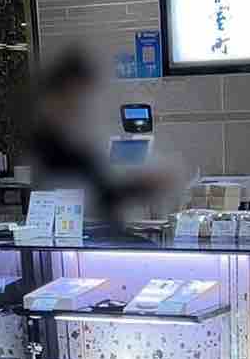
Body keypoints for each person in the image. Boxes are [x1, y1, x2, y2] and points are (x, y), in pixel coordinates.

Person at [29, 47, 175, 226]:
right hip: (73, 231)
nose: (79, 106)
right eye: (73, 97)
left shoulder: (76, 144)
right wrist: (141, 185)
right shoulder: (49, 146)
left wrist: (143, 185)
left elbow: (102, 187)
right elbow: (94, 193)